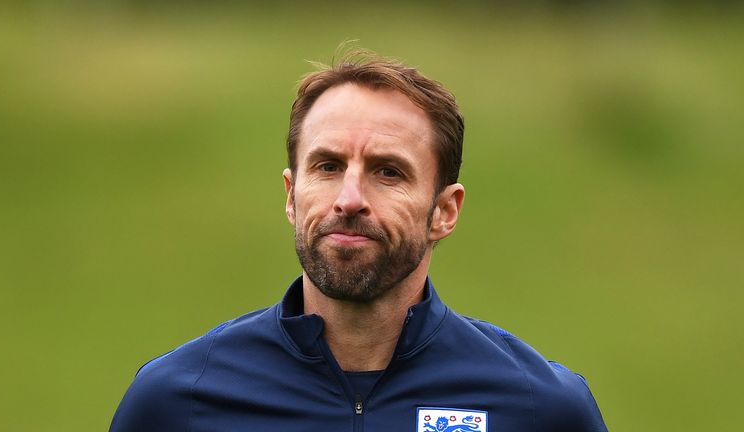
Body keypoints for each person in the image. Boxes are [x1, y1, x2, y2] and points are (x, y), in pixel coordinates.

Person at [109, 50, 608, 432]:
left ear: (445, 211)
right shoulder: (177, 401)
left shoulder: (538, 407)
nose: (349, 198)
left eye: (387, 172)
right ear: (291, 195)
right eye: (327, 167)